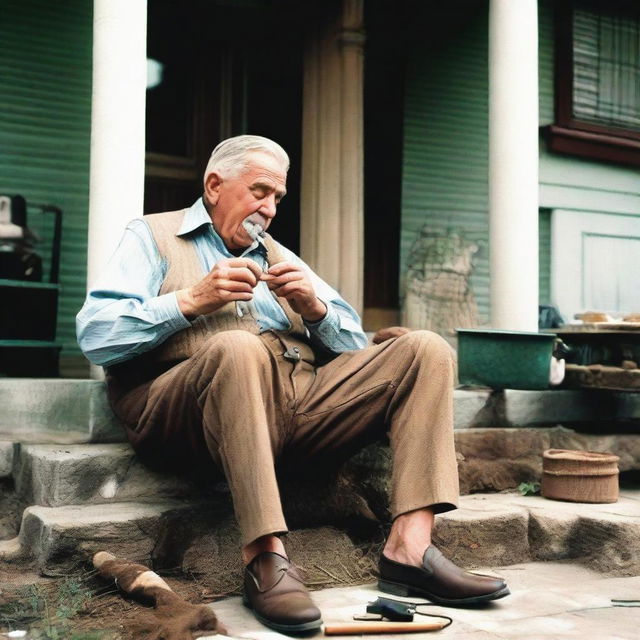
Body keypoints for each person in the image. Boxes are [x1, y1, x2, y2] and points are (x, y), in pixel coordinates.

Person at [77, 135, 509, 634]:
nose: (270, 208)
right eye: (260, 191)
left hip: (292, 407)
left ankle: (409, 550)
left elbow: (355, 345)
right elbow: (96, 336)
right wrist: (191, 300)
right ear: (215, 186)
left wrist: (315, 309)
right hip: (185, 416)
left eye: (277, 198)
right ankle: (266, 560)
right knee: (239, 347)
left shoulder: (278, 254)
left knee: (425, 349)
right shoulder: (153, 235)